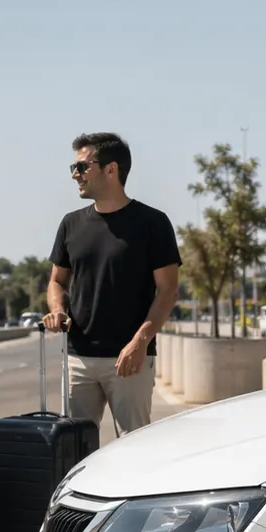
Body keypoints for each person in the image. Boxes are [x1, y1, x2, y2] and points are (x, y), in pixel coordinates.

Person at [45, 132, 180, 435]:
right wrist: (57, 309)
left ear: (111, 169)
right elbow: (57, 280)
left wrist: (140, 341)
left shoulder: (153, 223)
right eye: (73, 168)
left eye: (81, 167)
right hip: (78, 357)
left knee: (136, 451)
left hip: (129, 359)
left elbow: (168, 290)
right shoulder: (71, 223)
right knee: (74, 450)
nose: (75, 175)